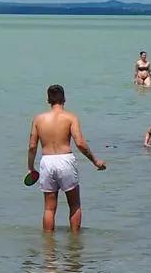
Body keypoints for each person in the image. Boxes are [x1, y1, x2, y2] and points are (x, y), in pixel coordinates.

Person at [27, 84, 106, 233]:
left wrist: (31, 168)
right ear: (64, 98)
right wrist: (95, 161)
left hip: (47, 161)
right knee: (74, 204)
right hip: (65, 160)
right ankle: (75, 246)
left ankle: (48, 248)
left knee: (49, 208)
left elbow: (32, 146)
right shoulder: (70, 118)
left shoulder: (38, 119)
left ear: (48, 100)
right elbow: (80, 143)